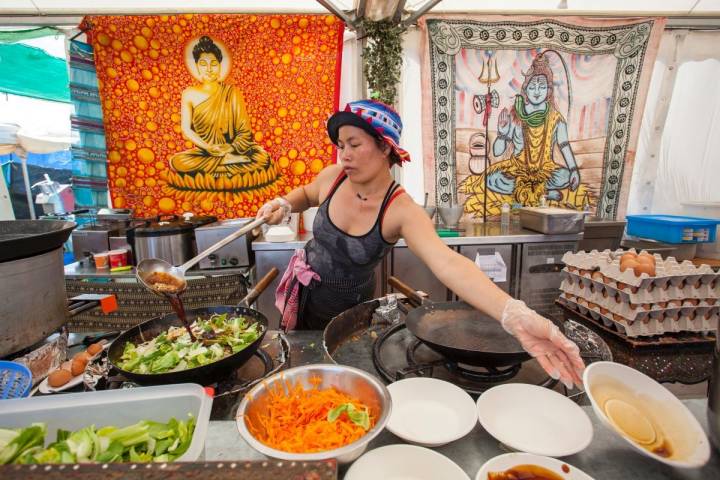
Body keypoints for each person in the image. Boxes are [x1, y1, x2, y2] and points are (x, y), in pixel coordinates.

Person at [257, 99, 584, 389]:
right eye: (340, 145)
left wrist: (513, 313)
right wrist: (285, 203)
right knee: (300, 360)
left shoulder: (400, 209)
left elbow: (448, 263)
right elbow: (307, 194)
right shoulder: (333, 177)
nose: (344, 155)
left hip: (347, 307)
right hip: (305, 292)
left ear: (385, 147)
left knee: (335, 371)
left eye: (354, 144)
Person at [460, 52, 591, 216]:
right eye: (532, 86)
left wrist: (573, 170)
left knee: (565, 176)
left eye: (542, 86)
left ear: (549, 90)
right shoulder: (517, 114)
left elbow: (564, 146)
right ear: (526, 89)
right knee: (491, 179)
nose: (537, 91)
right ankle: (542, 195)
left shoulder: (556, 118)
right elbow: (497, 151)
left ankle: (527, 198)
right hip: (517, 170)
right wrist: (502, 133)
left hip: (546, 170)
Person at [169, 36, 280, 192]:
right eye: (203, 64)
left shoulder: (232, 92)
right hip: (205, 152)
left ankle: (222, 164)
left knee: (262, 158)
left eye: (213, 64)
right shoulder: (189, 94)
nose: (209, 69)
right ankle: (225, 164)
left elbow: (244, 130)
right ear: (196, 67)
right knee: (177, 162)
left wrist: (230, 148)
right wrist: (208, 147)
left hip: (232, 150)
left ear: (220, 66)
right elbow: (187, 129)